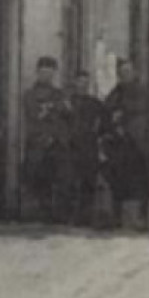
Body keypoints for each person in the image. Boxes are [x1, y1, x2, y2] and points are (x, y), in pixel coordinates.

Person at [22, 56, 71, 222]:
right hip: (39, 141)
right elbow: (35, 115)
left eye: (50, 73)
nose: (47, 77)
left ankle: (59, 213)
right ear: (37, 73)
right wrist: (50, 108)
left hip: (58, 141)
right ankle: (42, 211)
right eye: (43, 73)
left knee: (61, 177)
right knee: (39, 177)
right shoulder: (30, 94)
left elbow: (67, 113)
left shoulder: (60, 94)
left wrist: (55, 108)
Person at [64, 70, 106, 227]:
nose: (82, 86)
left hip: (89, 146)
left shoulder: (94, 103)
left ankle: (86, 216)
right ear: (75, 83)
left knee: (89, 182)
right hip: (71, 147)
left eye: (85, 83)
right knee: (71, 181)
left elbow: (104, 122)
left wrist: (99, 138)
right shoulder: (67, 102)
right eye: (79, 82)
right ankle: (72, 216)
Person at [101, 107, 149, 230]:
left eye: (123, 122)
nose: (121, 126)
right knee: (115, 186)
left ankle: (141, 219)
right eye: (118, 122)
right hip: (117, 172)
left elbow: (138, 155)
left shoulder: (131, 137)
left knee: (144, 184)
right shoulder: (108, 138)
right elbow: (107, 157)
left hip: (131, 172)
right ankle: (116, 218)